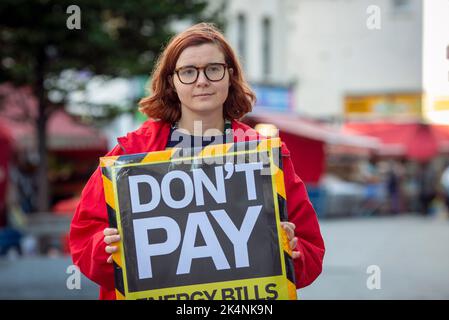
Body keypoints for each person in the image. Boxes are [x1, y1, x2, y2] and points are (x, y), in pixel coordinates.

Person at [69, 22, 325, 300]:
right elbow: (84, 241)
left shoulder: (264, 156)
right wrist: (104, 248)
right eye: (188, 72)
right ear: (172, 81)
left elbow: (310, 254)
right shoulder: (128, 155)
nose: (202, 81)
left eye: (213, 69)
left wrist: (291, 249)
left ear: (230, 75)